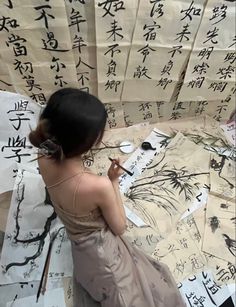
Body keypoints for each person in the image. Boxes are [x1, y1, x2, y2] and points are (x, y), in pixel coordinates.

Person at [29, 88, 185, 307]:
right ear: (89, 141)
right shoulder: (97, 185)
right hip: (101, 252)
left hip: (78, 247)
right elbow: (119, 227)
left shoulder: (42, 156)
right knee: (142, 292)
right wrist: (112, 182)